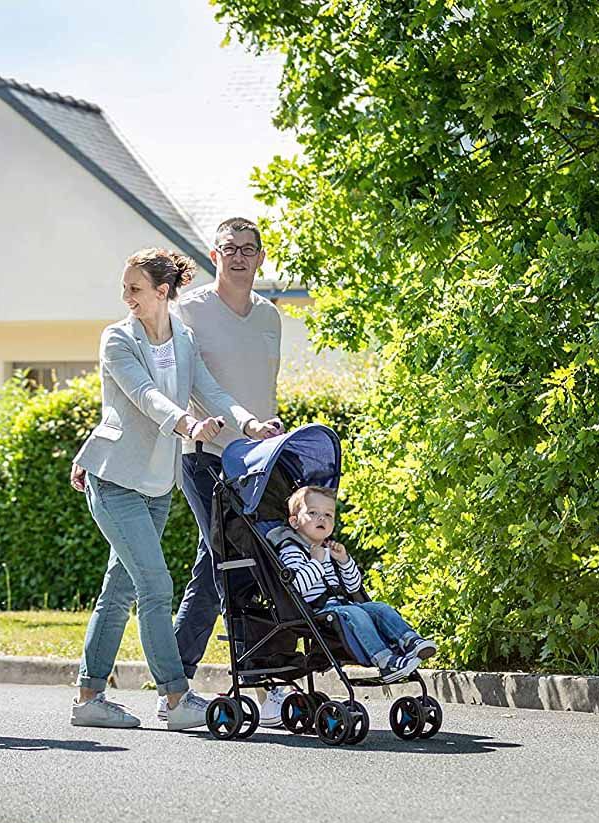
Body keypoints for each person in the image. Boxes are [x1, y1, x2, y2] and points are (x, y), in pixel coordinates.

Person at [69, 247, 282, 731]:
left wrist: (248, 426)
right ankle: (175, 695)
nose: (126, 298)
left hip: (156, 483)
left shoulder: (183, 337)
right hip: (113, 477)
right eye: (126, 289)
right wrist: (187, 424)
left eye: (135, 289)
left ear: (162, 291)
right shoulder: (117, 339)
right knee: (155, 583)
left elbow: (211, 389)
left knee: (119, 588)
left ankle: (89, 698)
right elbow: (146, 397)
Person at [168, 217, 286, 727]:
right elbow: (185, 383)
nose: (239, 257)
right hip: (206, 455)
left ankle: (173, 680)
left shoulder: (270, 316)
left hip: (258, 460)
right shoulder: (187, 311)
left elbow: (264, 385)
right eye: (229, 248)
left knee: (212, 565)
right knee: (237, 560)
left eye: (249, 249)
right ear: (214, 256)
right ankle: (265, 678)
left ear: (261, 257)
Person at [267, 485, 437, 684]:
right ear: (294, 522)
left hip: (343, 605)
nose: (322, 518)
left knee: (378, 608)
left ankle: (410, 642)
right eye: (313, 513)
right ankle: (384, 660)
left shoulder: (329, 550)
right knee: (356, 613)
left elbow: (353, 587)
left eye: (328, 515)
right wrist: (317, 562)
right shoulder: (291, 551)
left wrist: (344, 561)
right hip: (317, 612)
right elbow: (297, 590)